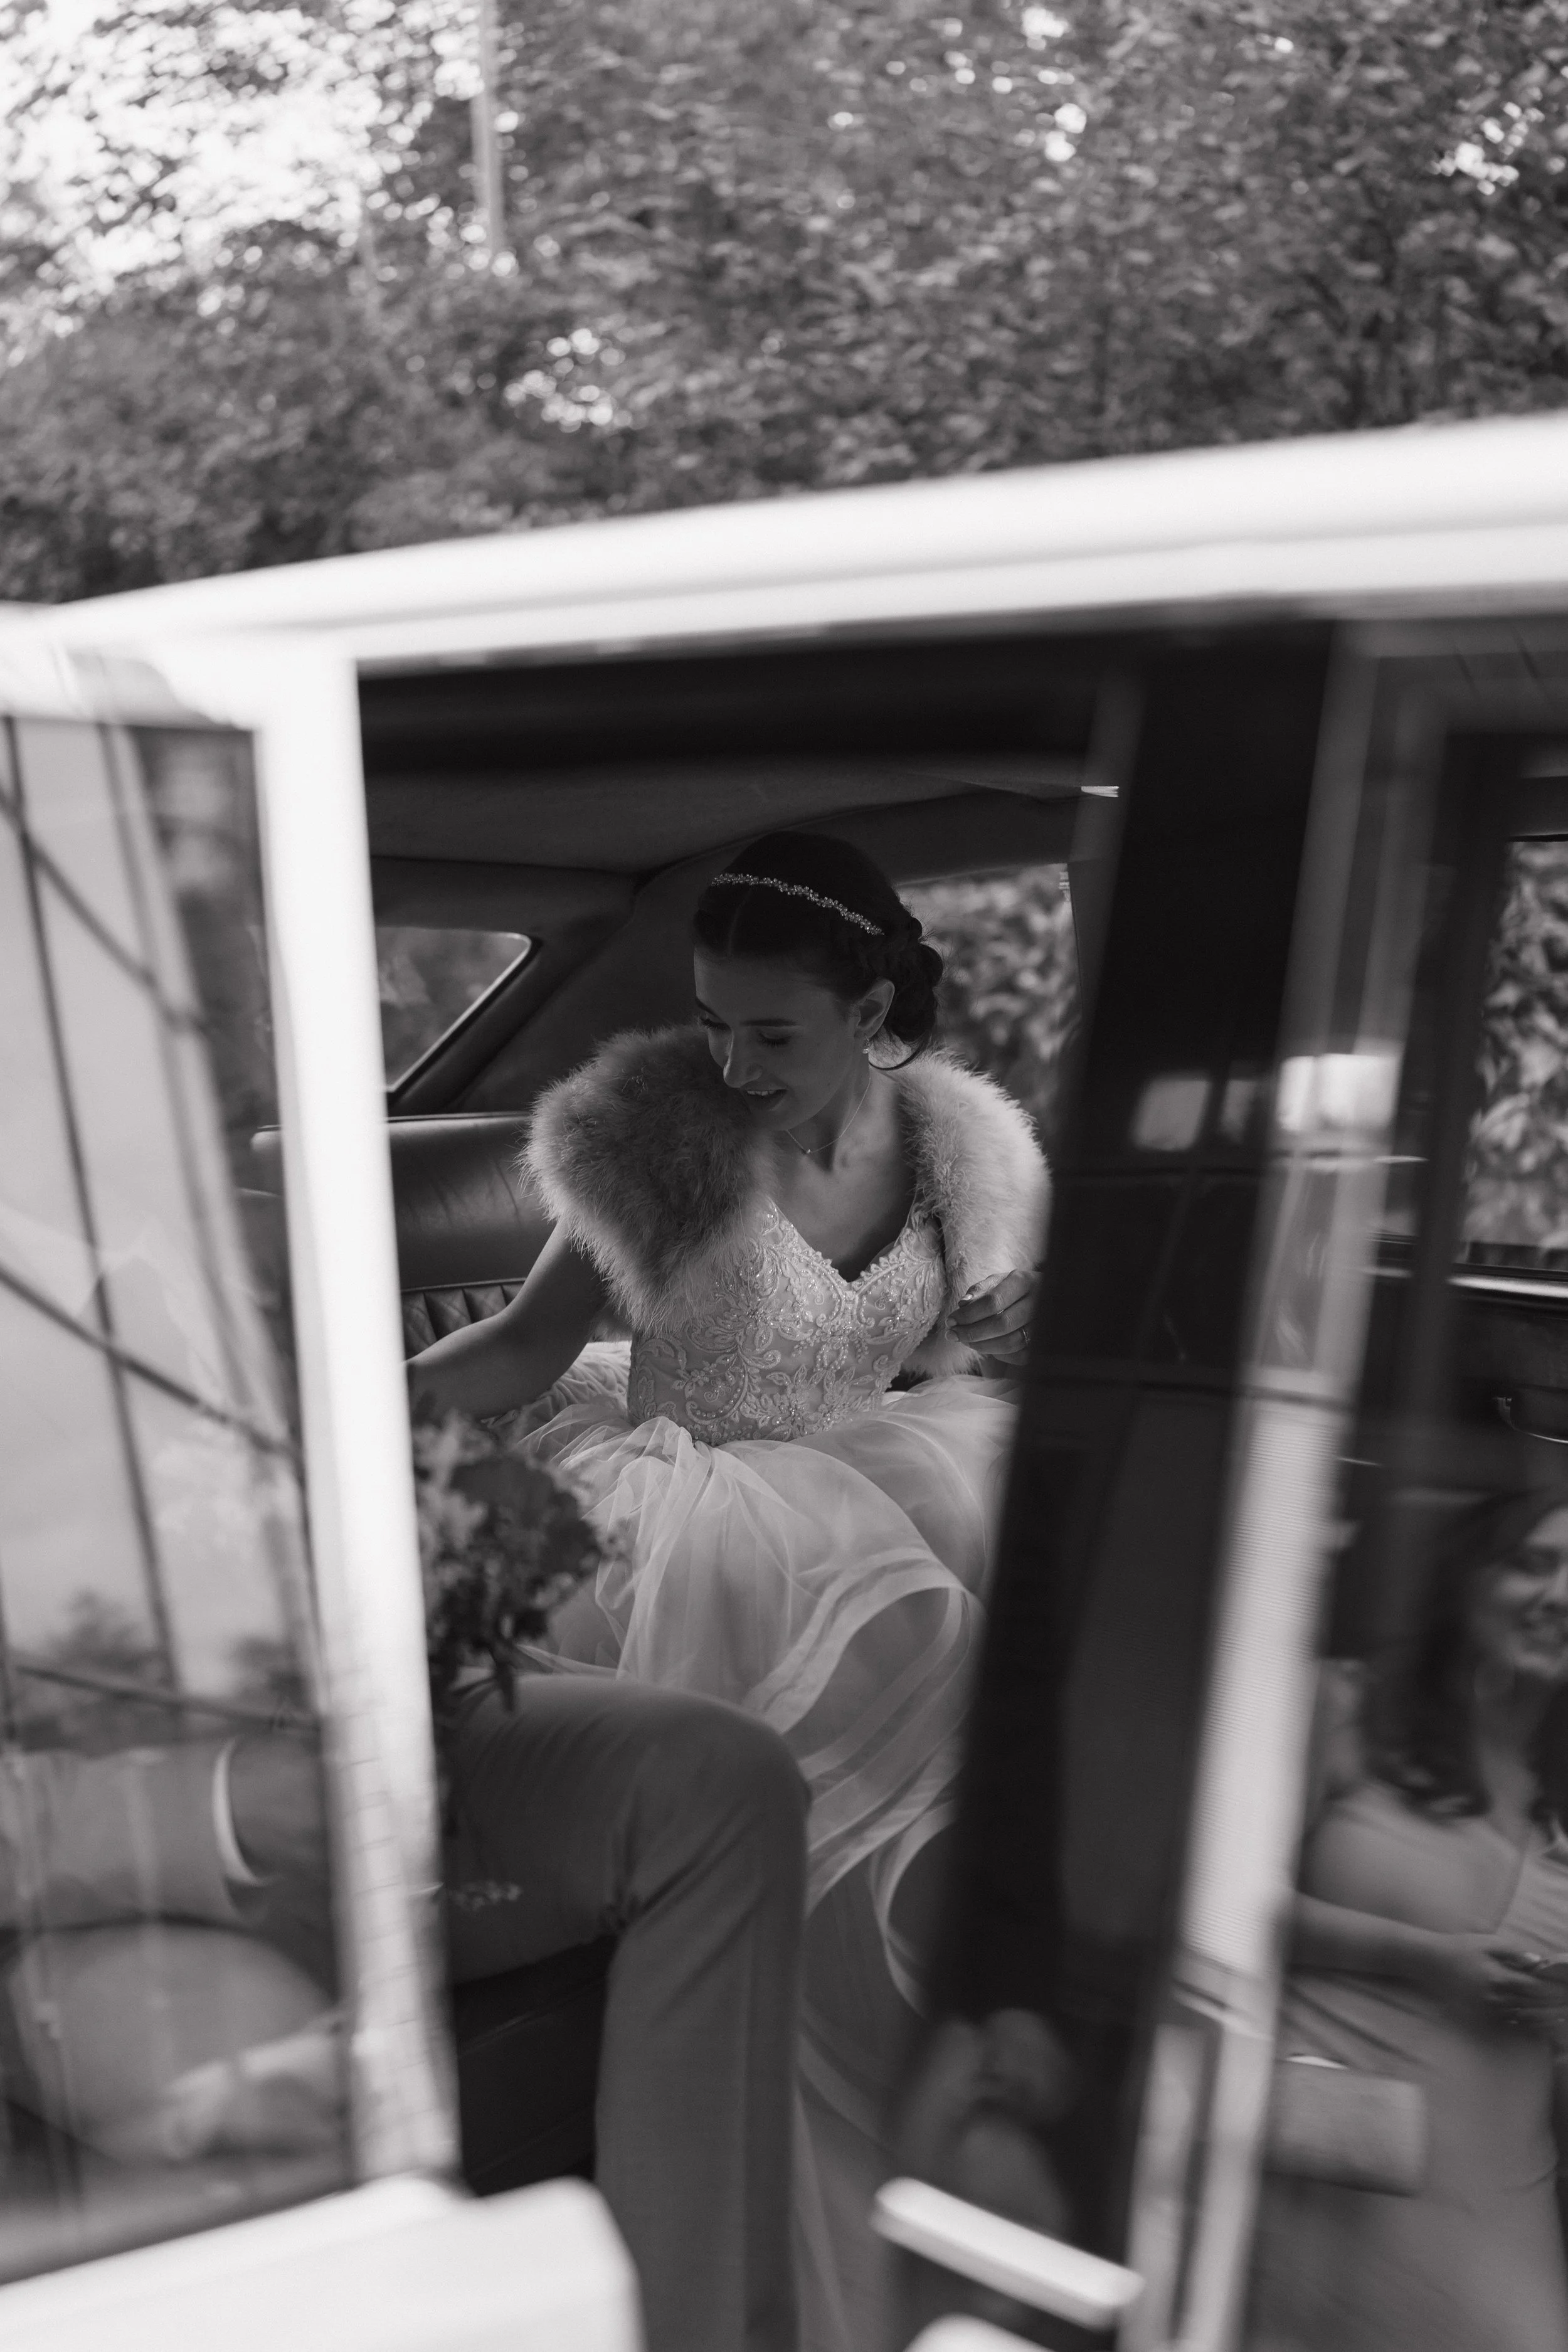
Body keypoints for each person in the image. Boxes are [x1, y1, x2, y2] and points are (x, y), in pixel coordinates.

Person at [409, 830, 1049, 2351]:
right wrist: (326, 1423)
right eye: (709, 1021)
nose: (732, 1061)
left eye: (770, 1031)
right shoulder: (662, 1145)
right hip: (668, 1503)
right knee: (881, 1650)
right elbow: (511, 1349)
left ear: (872, 1005)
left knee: (1002, 1583)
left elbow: (963, 1352)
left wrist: (1035, 1357)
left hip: (857, 1479)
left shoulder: (964, 1154)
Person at [1250, 1483, 1568, 2352]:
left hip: (1503, 2233)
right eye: (1533, 1564)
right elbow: (1218, 1914)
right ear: (1470, 1579)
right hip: (1323, 2196)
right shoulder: (1348, 1710)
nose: (1560, 1596)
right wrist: (1427, 1957)